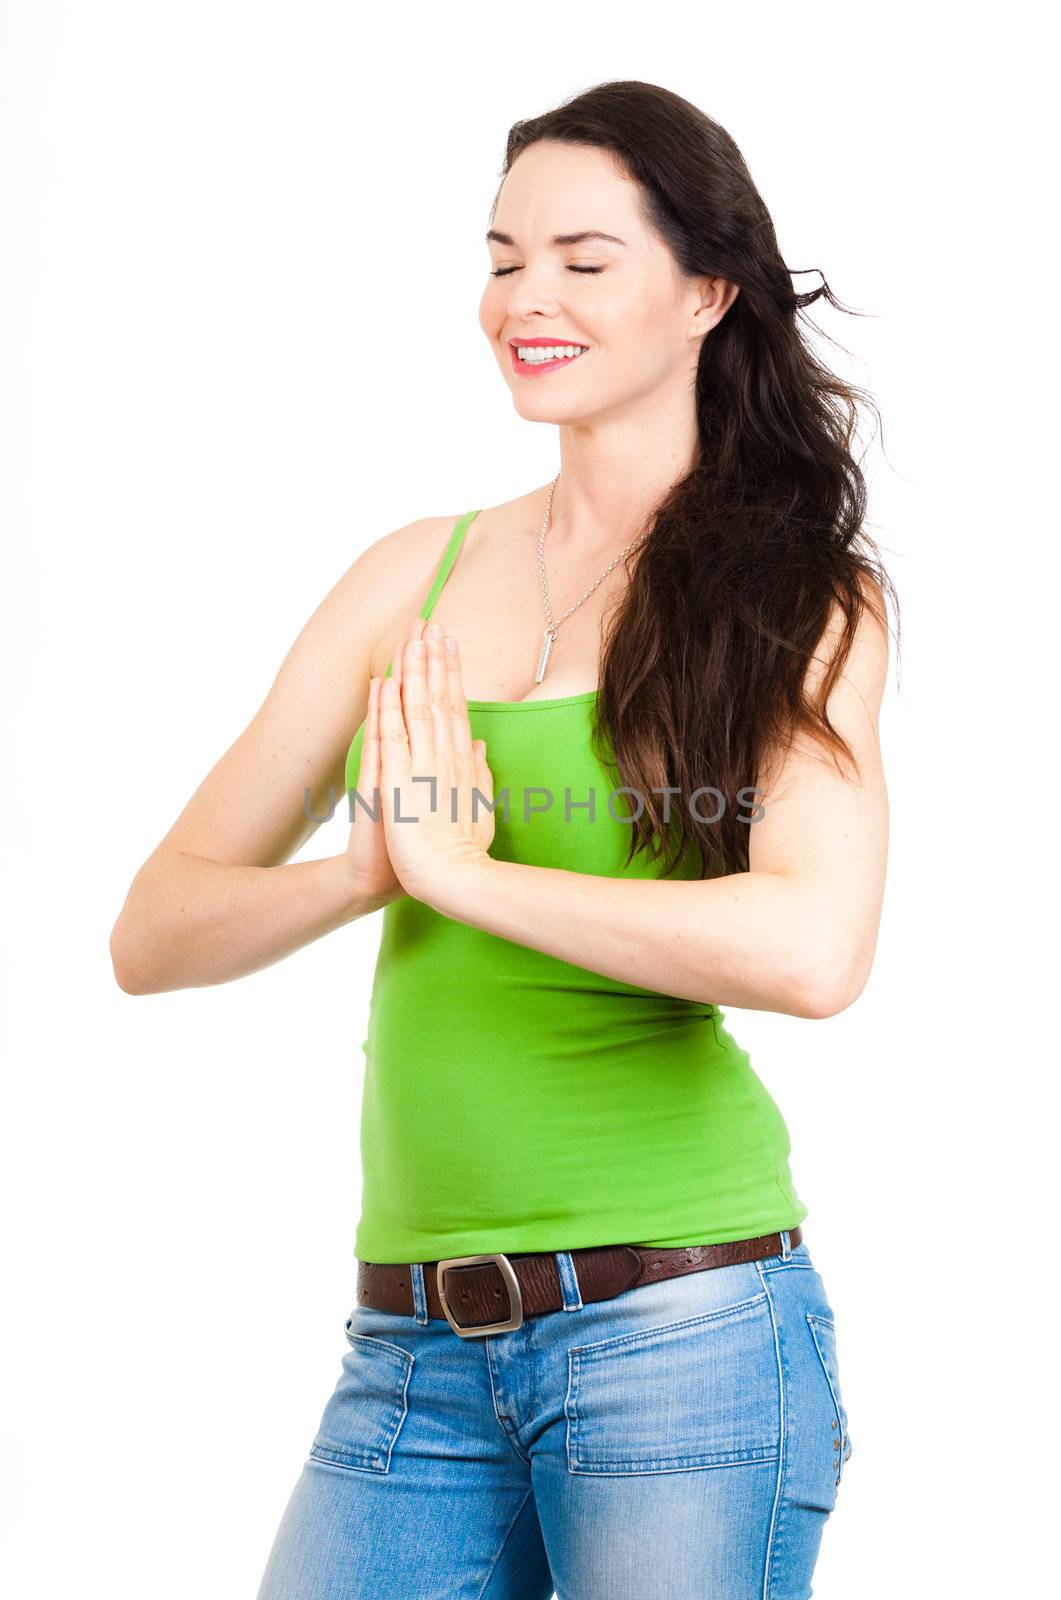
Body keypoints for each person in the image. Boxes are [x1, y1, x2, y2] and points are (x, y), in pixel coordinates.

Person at [111, 78, 896, 1600]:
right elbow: (155, 932)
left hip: (682, 1332)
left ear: (705, 292)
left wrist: (470, 876)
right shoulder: (415, 571)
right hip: (409, 1346)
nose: (524, 298)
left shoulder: (796, 589)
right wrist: (363, 870)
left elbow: (811, 949)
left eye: (583, 262)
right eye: (501, 256)